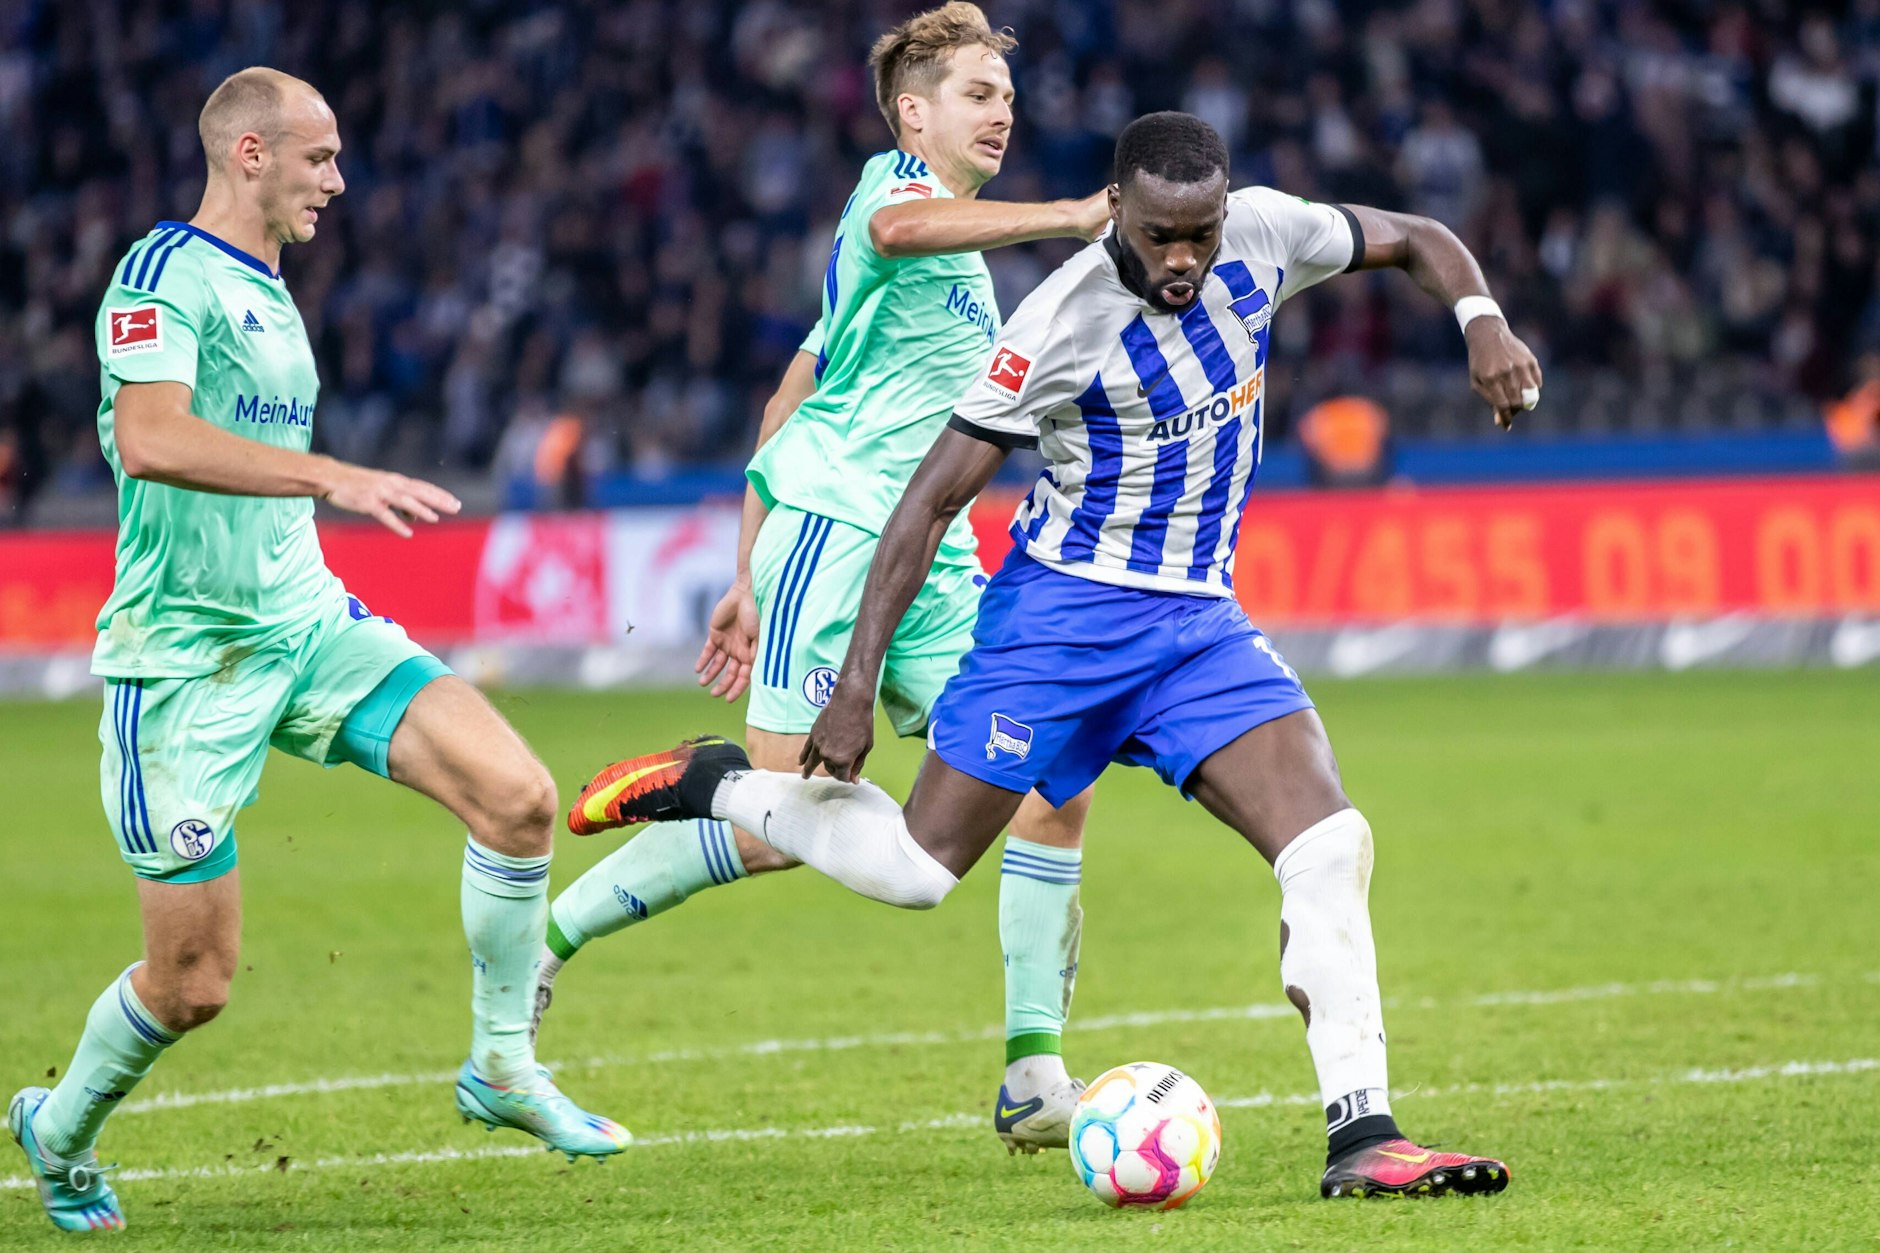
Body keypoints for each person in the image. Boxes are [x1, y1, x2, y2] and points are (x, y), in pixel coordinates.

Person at [573, 111, 1542, 1199]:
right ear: (1116, 212)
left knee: (1329, 841)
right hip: (1058, 624)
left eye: (1201, 234)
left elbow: (1415, 234)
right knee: (912, 873)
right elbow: (928, 503)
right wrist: (851, 688)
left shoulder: (1265, 234)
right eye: (1162, 236)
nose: (1184, 259)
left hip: (1194, 628)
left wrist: (1481, 321)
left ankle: (1362, 1136)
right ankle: (716, 781)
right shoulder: (1056, 321)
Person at [7, 68, 626, 1235]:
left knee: (518, 796)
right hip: (183, 659)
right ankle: (61, 1127)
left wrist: (316, 499)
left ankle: (500, 1063)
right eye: (318, 159)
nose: (338, 182)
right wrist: (330, 473)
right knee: (193, 984)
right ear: (249, 154)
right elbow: (147, 439)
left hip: (304, 623)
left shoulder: (272, 286)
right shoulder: (160, 273)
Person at [550, 2, 1110, 1155]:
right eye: (975, 94)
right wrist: (1070, 217)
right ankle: (552, 934)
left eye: (1006, 96)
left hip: (936, 554)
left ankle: (1031, 1069)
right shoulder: (885, 198)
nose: (1001, 110)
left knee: (1050, 768)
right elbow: (906, 234)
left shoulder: (946, 272)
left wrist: (738, 570)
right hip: (843, 535)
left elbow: (784, 398)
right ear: (914, 116)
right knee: (779, 822)